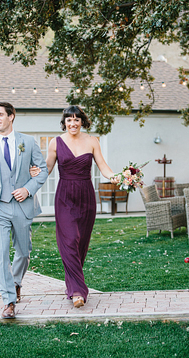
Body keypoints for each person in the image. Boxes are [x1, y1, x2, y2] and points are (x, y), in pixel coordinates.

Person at [40, 105, 119, 308]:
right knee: (69, 239)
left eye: (76, 119)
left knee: (81, 243)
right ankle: (78, 291)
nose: (72, 123)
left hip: (86, 196)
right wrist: (32, 176)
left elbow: (103, 166)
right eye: (68, 120)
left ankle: (72, 285)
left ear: (82, 121)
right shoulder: (55, 142)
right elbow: (47, 168)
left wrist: (118, 177)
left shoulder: (92, 141)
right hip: (65, 196)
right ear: (64, 122)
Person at [0, 102, 48, 319]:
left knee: (24, 252)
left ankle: (16, 282)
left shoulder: (28, 141)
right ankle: (8, 301)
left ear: (11, 116)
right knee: (1, 255)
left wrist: (28, 189)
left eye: (0, 115)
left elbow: (42, 170)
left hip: (22, 206)